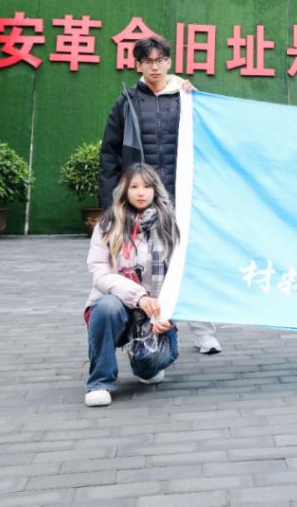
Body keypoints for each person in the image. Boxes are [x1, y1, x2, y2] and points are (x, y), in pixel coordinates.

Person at [98, 36, 222, 356]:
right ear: (138, 65)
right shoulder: (126, 103)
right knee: (147, 268)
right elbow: (109, 156)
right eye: (148, 61)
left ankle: (204, 333)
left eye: (160, 60)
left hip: (181, 198)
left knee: (191, 263)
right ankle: (149, 332)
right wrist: (109, 207)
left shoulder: (186, 99)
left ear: (169, 62)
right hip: (142, 201)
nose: (154, 67)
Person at [84, 164, 181, 407]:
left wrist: (166, 312)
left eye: (147, 186)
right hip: (119, 306)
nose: (141, 192)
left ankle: (143, 361)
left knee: (149, 369)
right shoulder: (108, 225)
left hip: (155, 312)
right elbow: (100, 273)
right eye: (134, 186)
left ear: (155, 189)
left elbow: (179, 274)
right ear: (124, 190)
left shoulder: (171, 225)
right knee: (106, 306)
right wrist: (139, 297)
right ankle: (100, 382)